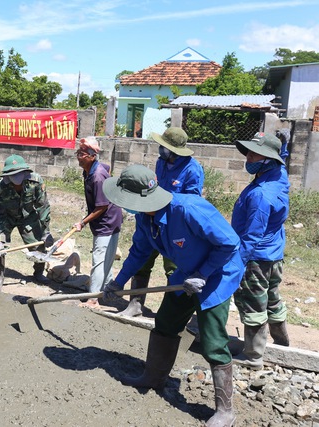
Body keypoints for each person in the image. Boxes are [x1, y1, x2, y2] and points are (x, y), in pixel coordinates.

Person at [102, 164, 242, 427]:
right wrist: (117, 282)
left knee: (212, 340)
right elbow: (139, 252)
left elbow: (230, 243)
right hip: (185, 275)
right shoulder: (146, 218)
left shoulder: (188, 209)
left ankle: (225, 411)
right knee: (165, 323)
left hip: (217, 275)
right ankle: (153, 377)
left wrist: (203, 273)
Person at [119, 127, 204, 317]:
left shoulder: (193, 169)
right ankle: (135, 304)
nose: (160, 149)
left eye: (163, 147)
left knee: (173, 268)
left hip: (174, 227)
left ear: (173, 150)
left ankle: (170, 311)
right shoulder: (161, 163)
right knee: (142, 261)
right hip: (152, 221)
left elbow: (191, 202)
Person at [232, 132, 290, 369]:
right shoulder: (279, 175)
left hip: (256, 257)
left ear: (267, 158)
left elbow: (252, 235)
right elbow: (282, 159)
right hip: (274, 253)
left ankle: (253, 356)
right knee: (272, 298)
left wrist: (238, 261)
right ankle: (281, 342)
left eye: (254, 154)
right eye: (248, 152)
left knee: (253, 302)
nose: (248, 157)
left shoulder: (260, 195)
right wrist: (284, 146)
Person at [72, 137, 123, 307]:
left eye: (82, 154)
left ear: (92, 156)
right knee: (106, 259)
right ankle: (108, 292)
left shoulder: (97, 176)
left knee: (99, 260)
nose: (78, 156)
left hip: (107, 221)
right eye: (78, 153)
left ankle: (93, 299)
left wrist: (82, 222)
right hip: (108, 219)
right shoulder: (90, 171)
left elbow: (101, 206)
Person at [0, 154, 52, 291]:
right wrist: (0, 238)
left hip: (28, 216)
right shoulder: (0, 188)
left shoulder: (35, 182)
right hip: (7, 217)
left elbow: (43, 206)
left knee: (38, 245)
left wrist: (46, 231)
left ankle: (38, 273)